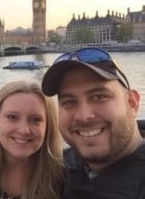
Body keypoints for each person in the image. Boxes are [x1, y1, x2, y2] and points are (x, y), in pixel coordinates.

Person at [41, 47, 145, 199]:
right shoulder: (58, 167)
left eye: (99, 97)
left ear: (132, 102)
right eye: (69, 102)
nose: (84, 116)